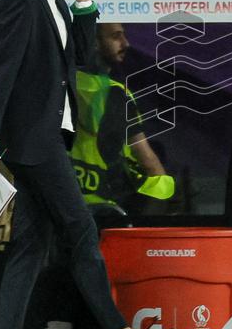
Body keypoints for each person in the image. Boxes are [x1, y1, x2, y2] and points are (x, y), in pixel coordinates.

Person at [0, 0, 178, 329]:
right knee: (82, 230)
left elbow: (81, 57)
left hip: (47, 136)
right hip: (33, 138)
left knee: (30, 244)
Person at [71, 23, 173, 215]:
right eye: (116, 36)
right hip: (105, 205)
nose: (125, 43)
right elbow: (147, 159)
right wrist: (166, 195)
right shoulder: (117, 93)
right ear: (94, 42)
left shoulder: (59, 85)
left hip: (64, 202)